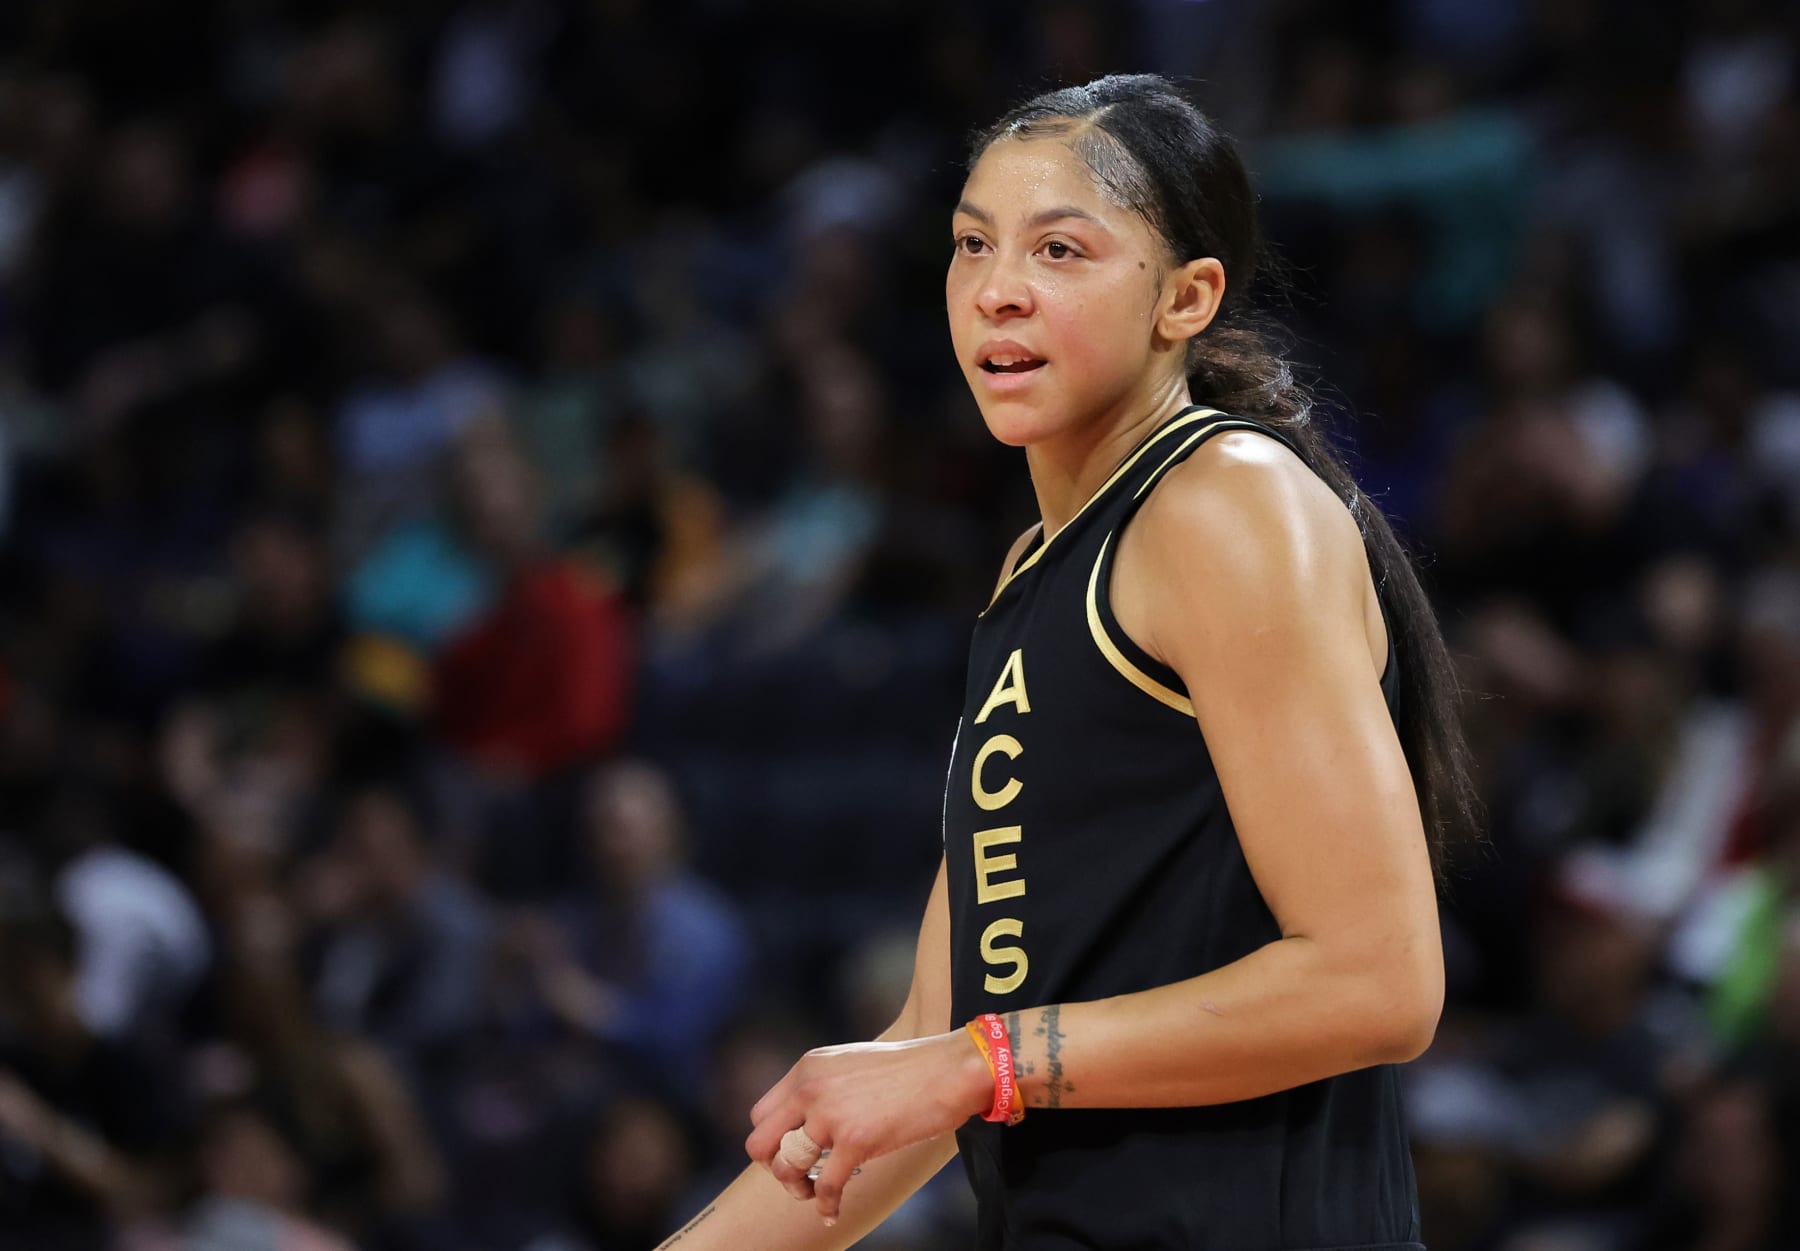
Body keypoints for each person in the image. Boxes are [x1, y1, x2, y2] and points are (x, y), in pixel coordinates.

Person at [657, 74, 1476, 1251]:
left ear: (1186, 297)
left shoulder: (1224, 504)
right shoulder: (1037, 570)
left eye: (1059, 250)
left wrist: (976, 1063)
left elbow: (1377, 981)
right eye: (973, 245)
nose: (998, 290)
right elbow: (936, 1030)